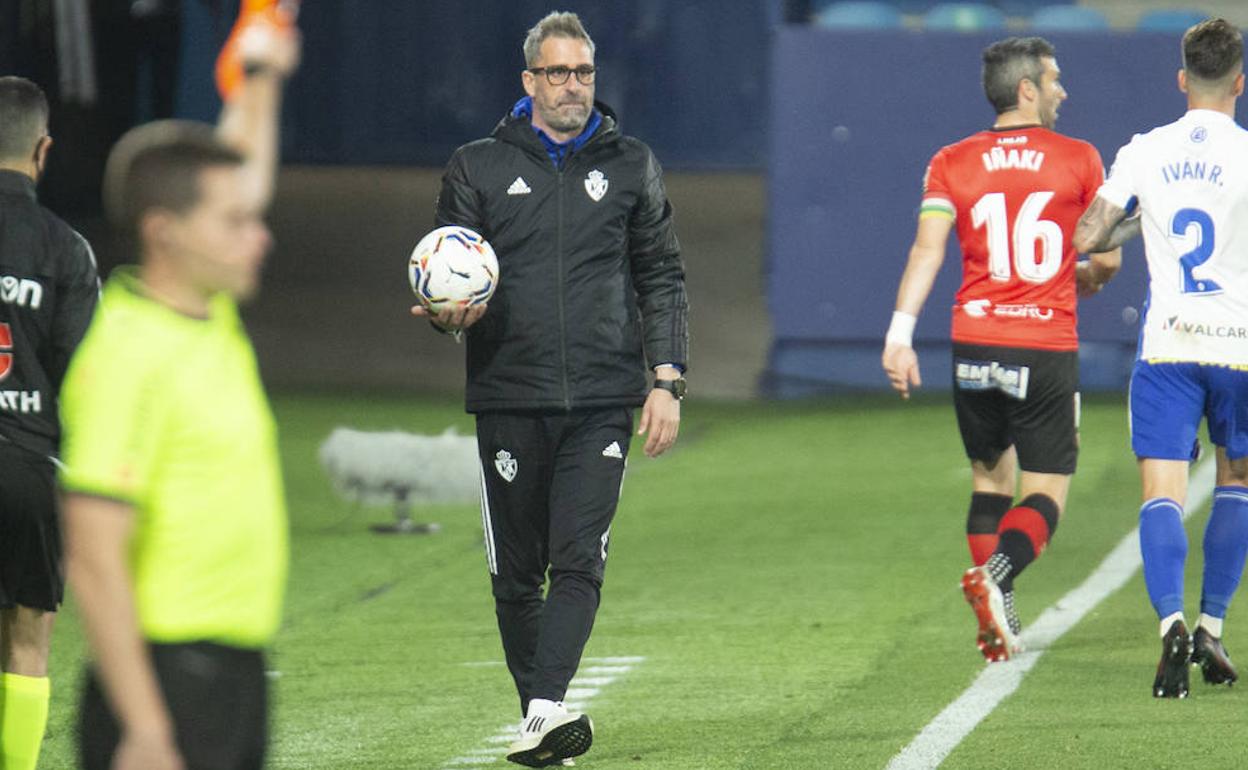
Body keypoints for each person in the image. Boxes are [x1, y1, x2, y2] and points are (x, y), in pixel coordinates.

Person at [414, 11, 688, 766]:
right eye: (558, 73)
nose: (573, 87)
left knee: (579, 559)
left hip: (603, 396)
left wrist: (666, 380)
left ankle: (542, 711)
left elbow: (661, 275)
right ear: (529, 80)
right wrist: (447, 317)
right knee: (514, 576)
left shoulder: (630, 164)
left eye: (584, 73)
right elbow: (449, 270)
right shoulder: (475, 166)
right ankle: (543, 719)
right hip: (508, 393)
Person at [57, 19, 299, 770]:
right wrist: (146, 727)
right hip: (164, 685)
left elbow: (240, 175)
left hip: (230, 671)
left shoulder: (206, 316)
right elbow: (93, 556)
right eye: (233, 223)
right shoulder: (126, 353)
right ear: (164, 234)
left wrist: (260, 72)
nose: (258, 235)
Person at [881, 37, 1121, 663]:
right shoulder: (1079, 159)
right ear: (1026, 90)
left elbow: (927, 251)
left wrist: (900, 336)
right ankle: (997, 579)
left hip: (973, 340)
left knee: (990, 479)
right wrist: (1091, 275)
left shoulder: (951, 161)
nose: (1062, 91)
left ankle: (1001, 612)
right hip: (1041, 343)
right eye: (1054, 80)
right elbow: (1108, 257)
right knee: (1046, 492)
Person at [1074, 17, 1248, 699]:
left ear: (1182, 80)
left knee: (1163, 492)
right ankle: (1211, 624)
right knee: (1236, 481)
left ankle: (1171, 622)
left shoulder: (1146, 150)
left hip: (1170, 342)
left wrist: (1131, 220)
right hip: (1239, 346)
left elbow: (1091, 233)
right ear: (1240, 81)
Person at [0, 74, 99, 770]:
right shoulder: (65, 250)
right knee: (29, 640)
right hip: (31, 467)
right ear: (42, 150)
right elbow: (85, 380)